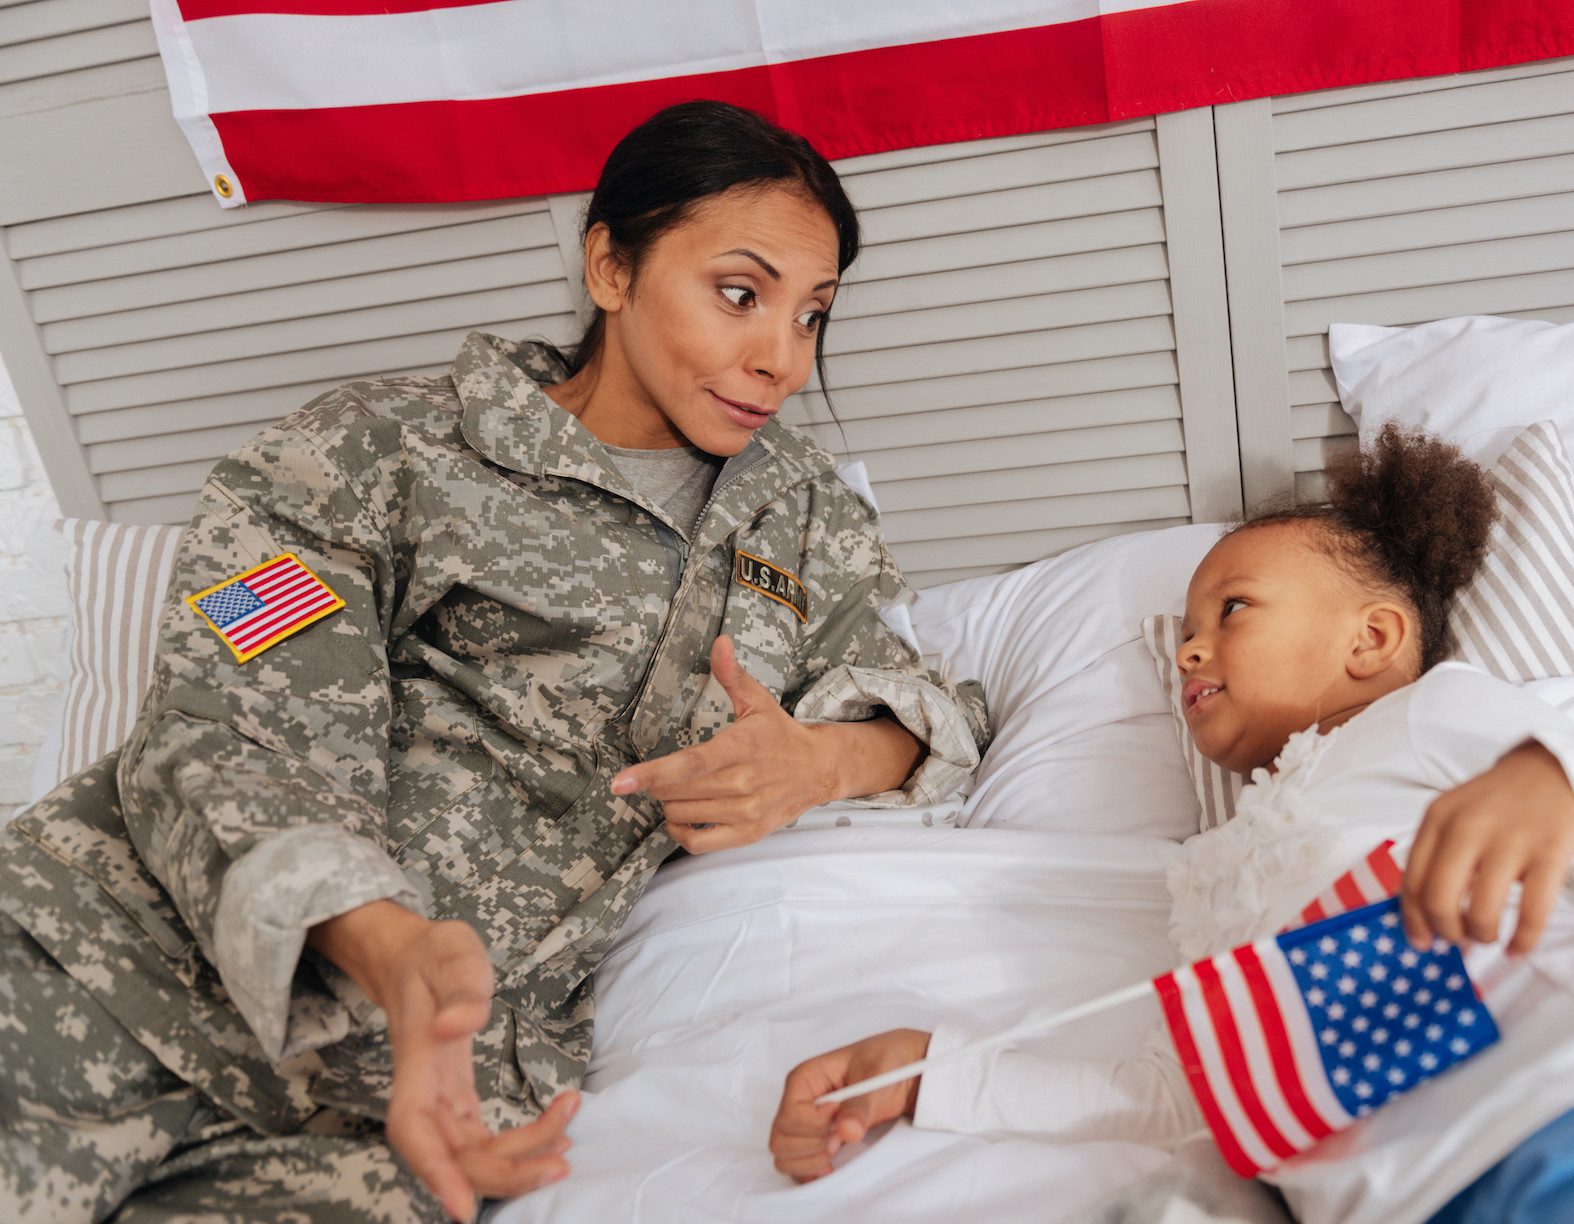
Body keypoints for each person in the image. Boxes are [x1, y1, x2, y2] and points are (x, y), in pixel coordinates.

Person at [0, 100, 991, 1224]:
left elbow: (929, 702)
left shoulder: (805, 515)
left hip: (405, 1107)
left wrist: (815, 763)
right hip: (101, 965)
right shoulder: (373, 451)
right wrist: (387, 945)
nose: (780, 360)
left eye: (812, 315)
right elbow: (237, 721)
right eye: (738, 293)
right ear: (609, 266)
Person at [770, 427, 1574, 1223]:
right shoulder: (1208, 882)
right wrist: (941, 1075)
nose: (1186, 645)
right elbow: (1200, 1100)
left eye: (1229, 610)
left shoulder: (1439, 719)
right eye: (1182, 625)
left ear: (1370, 641)